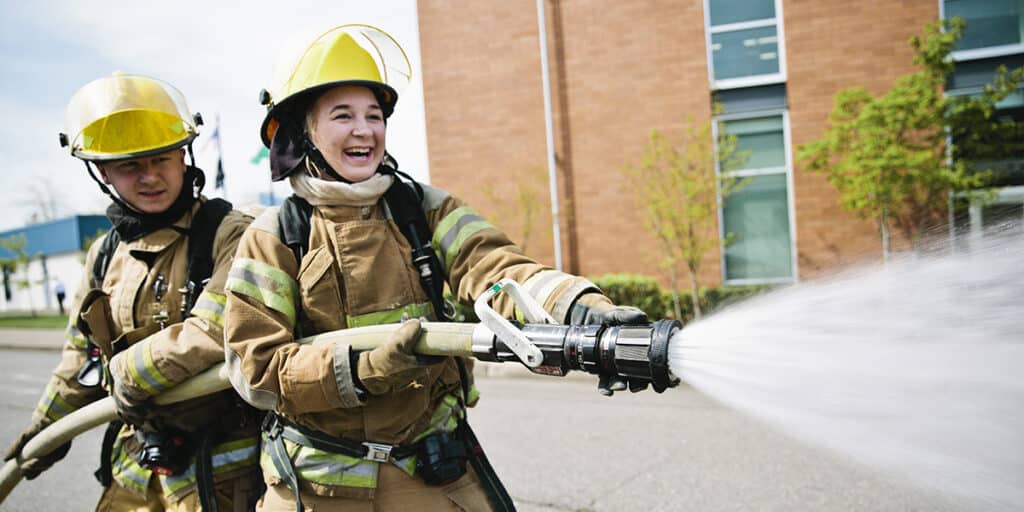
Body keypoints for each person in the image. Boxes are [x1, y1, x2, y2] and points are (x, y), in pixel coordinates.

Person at [222, 25, 649, 512]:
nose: (365, 130)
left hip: (431, 468)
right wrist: (366, 369)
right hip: (318, 487)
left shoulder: (424, 210)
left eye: (374, 115)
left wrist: (579, 306)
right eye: (343, 116)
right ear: (303, 132)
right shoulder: (275, 235)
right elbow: (255, 372)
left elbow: (494, 265)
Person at [3, 73, 262, 511]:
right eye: (130, 166)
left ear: (184, 155)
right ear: (103, 171)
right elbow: (79, 359)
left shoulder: (230, 234)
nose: (150, 177)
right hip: (135, 472)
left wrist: (124, 375)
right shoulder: (104, 255)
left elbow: (216, 329)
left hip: (218, 477)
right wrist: (43, 432)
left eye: (161, 159)